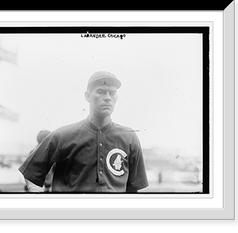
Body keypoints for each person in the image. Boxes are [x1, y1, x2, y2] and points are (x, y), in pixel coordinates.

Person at [19, 71, 148, 192]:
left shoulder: (129, 137)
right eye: (101, 92)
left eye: (112, 93)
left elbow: (136, 187)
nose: (108, 97)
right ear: (87, 96)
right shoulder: (63, 135)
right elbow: (31, 173)